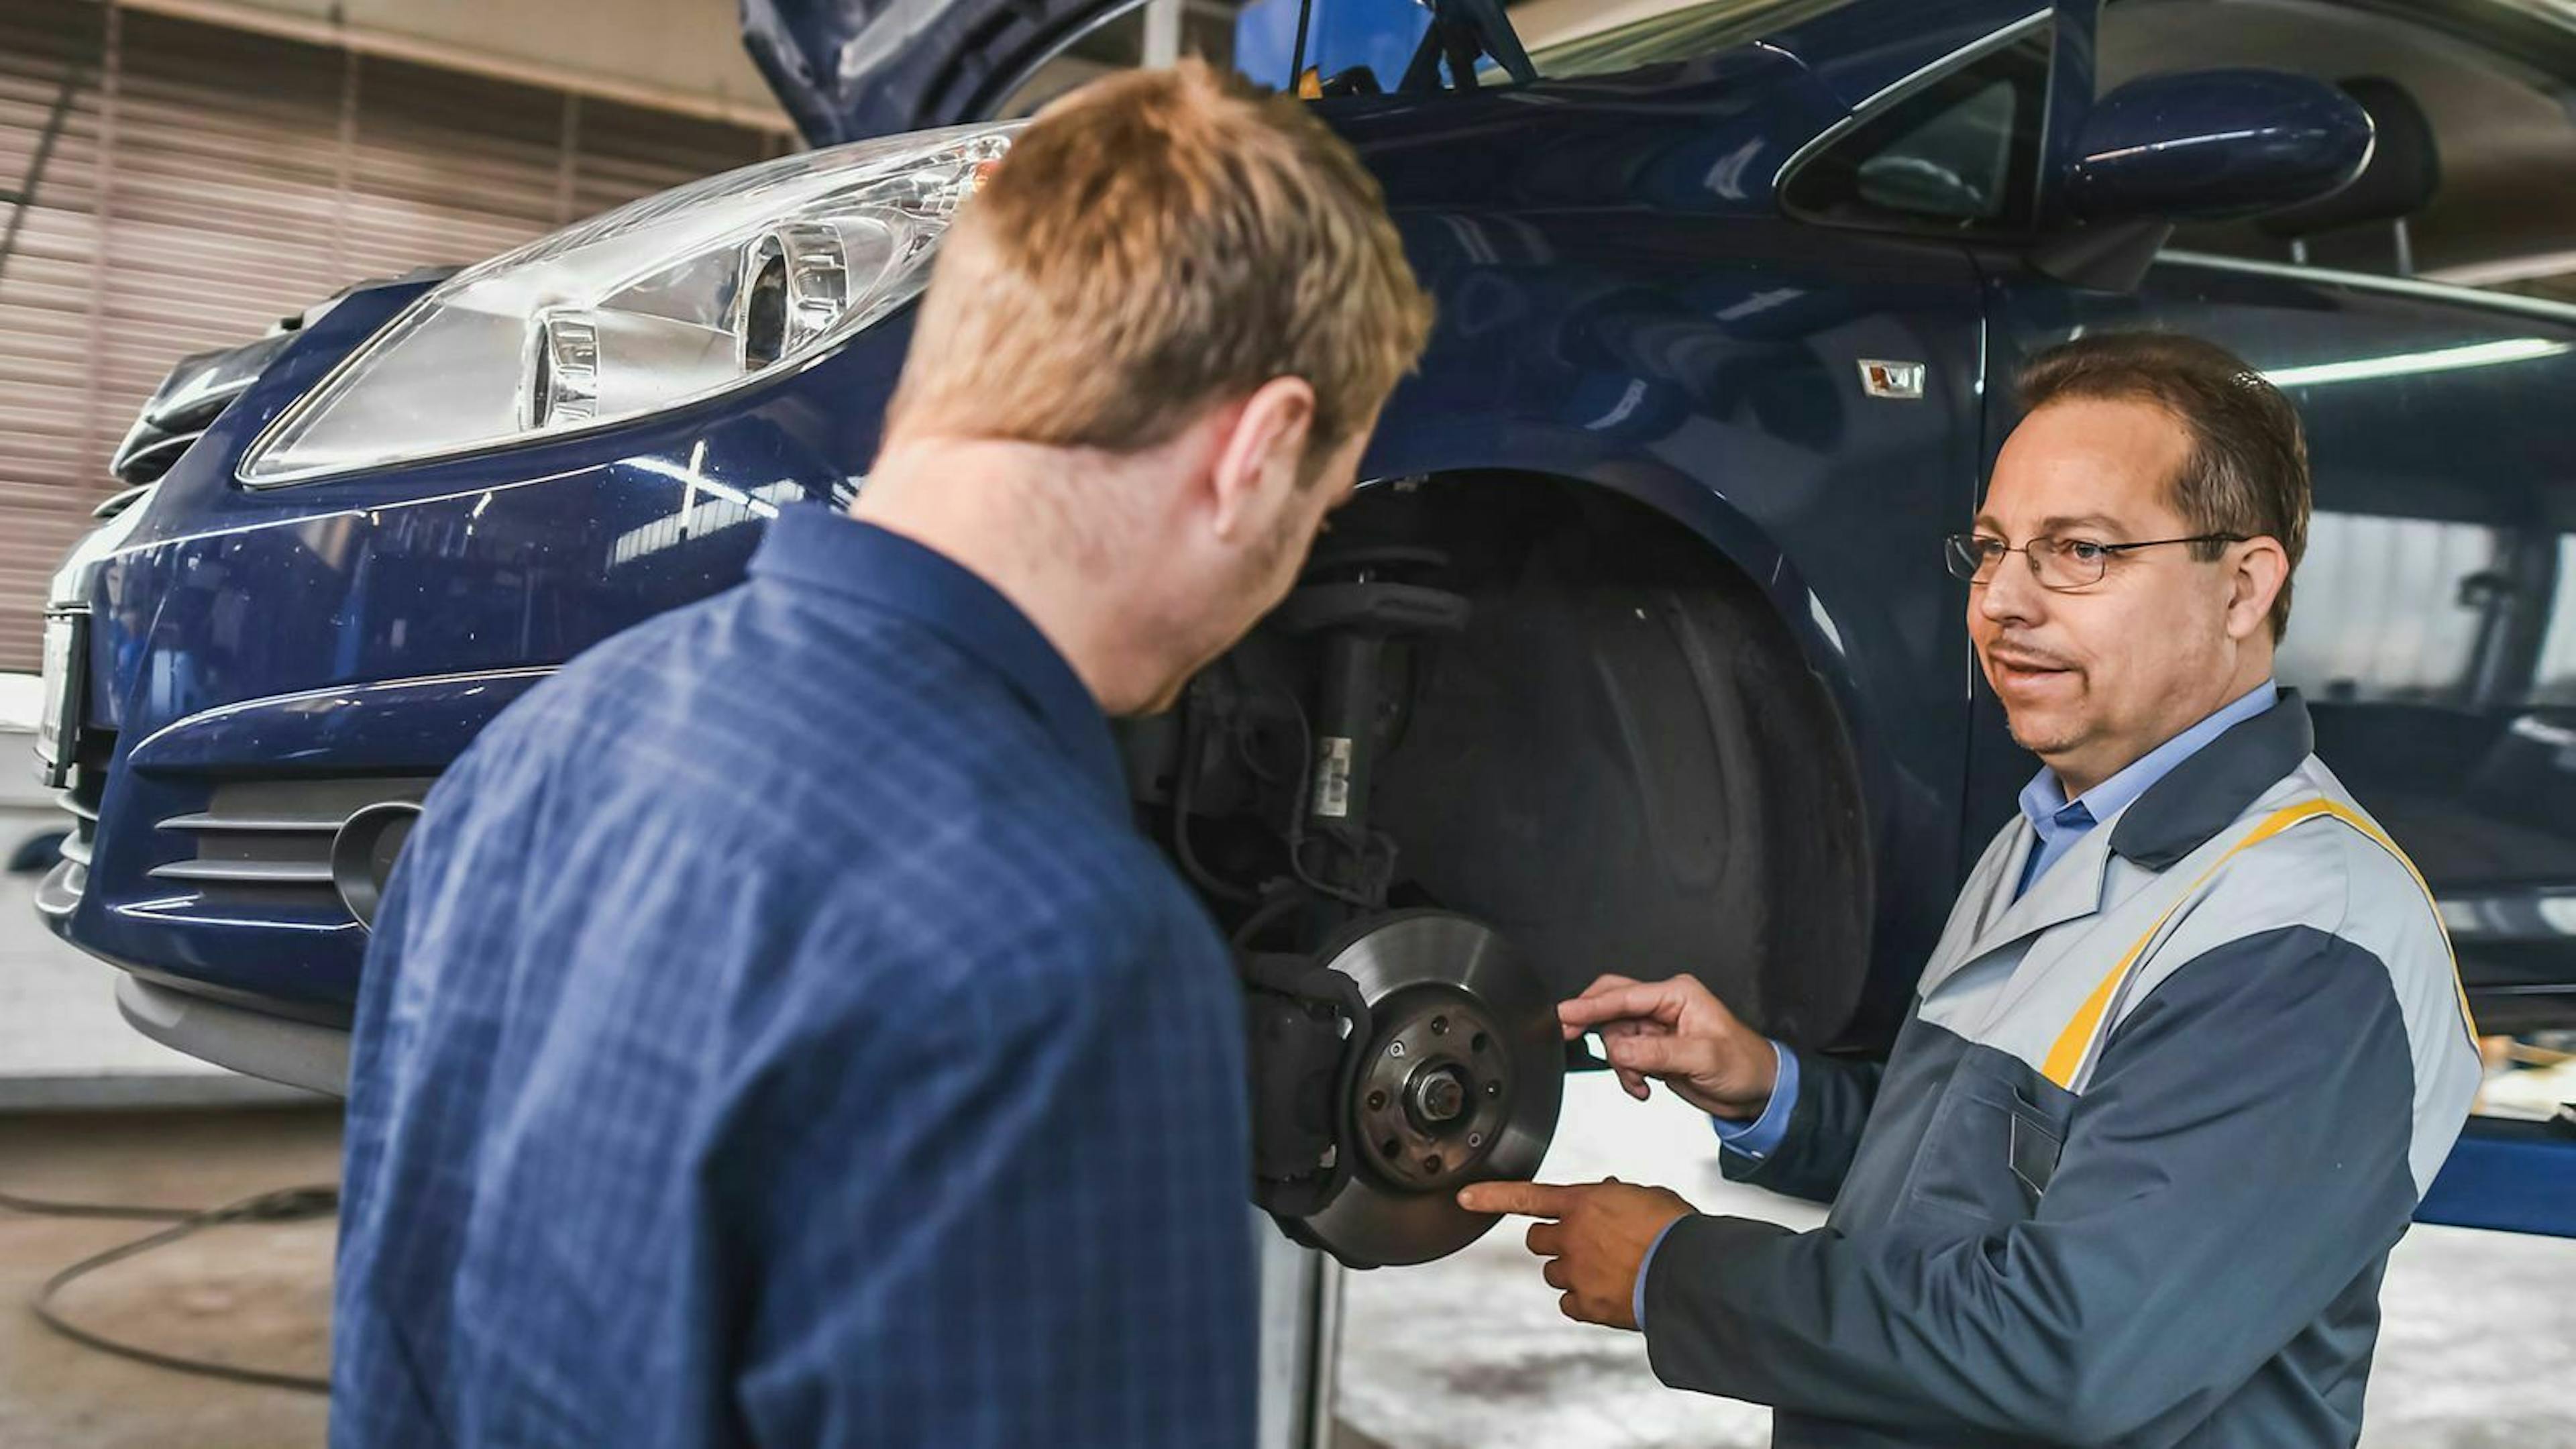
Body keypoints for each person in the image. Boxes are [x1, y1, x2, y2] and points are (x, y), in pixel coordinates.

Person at [332, 59, 1432, 1449]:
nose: (1296, 563)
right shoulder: (1066, 958)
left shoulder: (528, 763)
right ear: (1260, 449)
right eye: (1320, 513)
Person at [1462, 332, 2481, 1447]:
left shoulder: (2301, 934)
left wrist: (1680, 1272)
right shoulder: (2057, 826)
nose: (2002, 602)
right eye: (1991, 549)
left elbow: (2071, 1350)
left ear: (2244, 587)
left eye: (2079, 552)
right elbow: (1982, 1179)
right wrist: (1775, 1090)